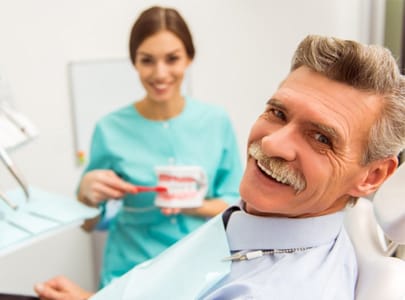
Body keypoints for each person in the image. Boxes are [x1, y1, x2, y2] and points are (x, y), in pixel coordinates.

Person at [35, 35, 405, 299]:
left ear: (372, 176)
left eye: (321, 138)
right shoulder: (260, 217)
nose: (272, 143)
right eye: (277, 113)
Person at [35, 4, 242, 296]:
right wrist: (85, 194)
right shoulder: (110, 128)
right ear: (134, 62)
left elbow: (236, 205)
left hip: (198, 271)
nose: (160, 73)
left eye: (172, 59)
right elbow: (90, 224)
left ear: (189, 58)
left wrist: (191, 203)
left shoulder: (215, 121)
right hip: (128, 273)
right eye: (147, 60)